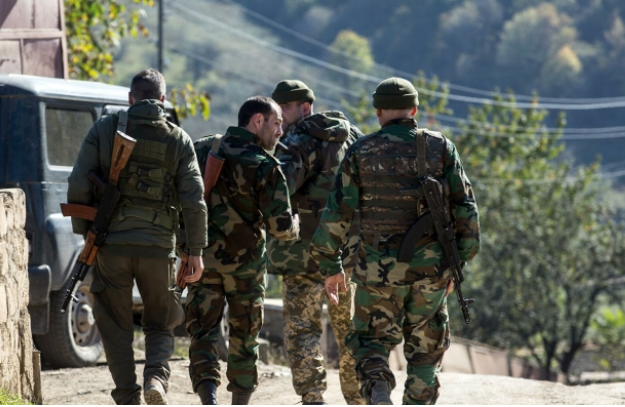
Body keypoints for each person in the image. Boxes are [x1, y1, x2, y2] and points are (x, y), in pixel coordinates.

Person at [309, 77, 480, 405]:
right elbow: (467, 211)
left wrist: (331, 265)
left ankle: (378, 390)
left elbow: (336, 213)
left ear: (378, 112)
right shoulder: (441, 148)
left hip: (377, 273)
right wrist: (455, 265)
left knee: (371, 342)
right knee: (425, 352)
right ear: (414, 109)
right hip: (430, 271)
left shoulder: (361, 151)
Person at [67, 68, 208, 405]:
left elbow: (77, 184)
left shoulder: (104, 129)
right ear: (162, 100)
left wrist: (88, 234)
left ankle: (127, 397)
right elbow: (193, 199)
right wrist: (195, 251)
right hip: (159, 247)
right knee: (161, 321)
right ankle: (156, 377)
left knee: (114, 324)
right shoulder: (178, 139)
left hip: (111, 245)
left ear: (130, 99)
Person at [185, 96, 300, 405]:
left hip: (201, 261)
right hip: (245, 269)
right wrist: (296, 225)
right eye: (276, 123)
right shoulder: (266, 165)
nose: (280, 131)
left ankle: (207, 397)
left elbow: (180, 195)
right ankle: (240, 402)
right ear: (257, 121)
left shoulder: (204, 148)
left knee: (203, 332)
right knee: (245, 337)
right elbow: (280, 228)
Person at [266, 80, 365, 405]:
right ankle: (359, 397)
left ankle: (313, 397)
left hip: (301, 256)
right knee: (351, 331)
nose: (278, 120)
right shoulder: (353, 138)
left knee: (302, 329)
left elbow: (279, 187)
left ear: (304, 108)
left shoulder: (296, 142)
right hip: (345, 255)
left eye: (283, 111)